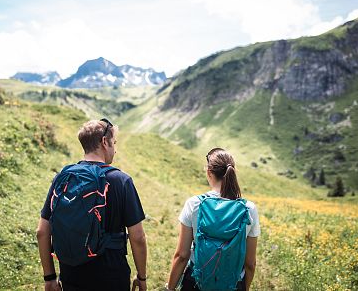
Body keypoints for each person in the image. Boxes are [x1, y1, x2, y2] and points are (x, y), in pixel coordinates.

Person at [36, 119, 147, 291]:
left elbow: (42, 232)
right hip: (112, 276)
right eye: (114, 143)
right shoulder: (121, 181)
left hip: (72, 275)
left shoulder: (63, 178)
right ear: (104, 142)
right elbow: (138, 237)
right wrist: (141, 277)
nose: (115, 150)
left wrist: (50, 278)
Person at [166, 148, 260, 291]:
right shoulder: (249, 209)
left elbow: (182, 255)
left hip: (197, 282)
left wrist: (170, 288)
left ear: (209, 172)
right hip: (233, 284)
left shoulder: (194, 204)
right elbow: (250, 264)